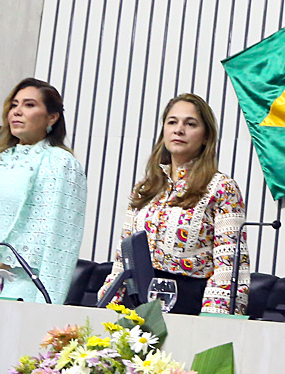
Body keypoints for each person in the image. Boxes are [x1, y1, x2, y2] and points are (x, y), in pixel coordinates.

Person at [97, 94, 250, 315]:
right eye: (172, 122)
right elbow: (123, 259)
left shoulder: (222, 187)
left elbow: (229, 265)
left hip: (190, 305)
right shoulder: (145, 188)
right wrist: (106, 308)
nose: (179, 130)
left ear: (206, 137)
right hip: (137, 302)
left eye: (190, 124)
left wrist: (215, 322)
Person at [0, 78, 87, 303]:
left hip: (25, 285)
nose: (17, 111)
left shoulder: (60, 161)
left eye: (29, 105)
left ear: (52, 117)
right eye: (14, 105)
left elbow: (48, 228)